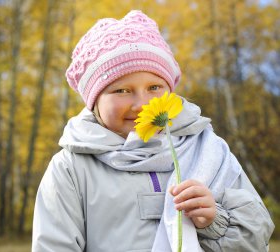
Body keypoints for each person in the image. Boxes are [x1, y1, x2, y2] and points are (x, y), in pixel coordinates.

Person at [32, 10, 274, 252]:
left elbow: (257, 235)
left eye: (154, 87)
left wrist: (215, 221)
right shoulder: (71, 168)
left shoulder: (209, 151)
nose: (142, 104)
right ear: (94, 101)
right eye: (121, 91)